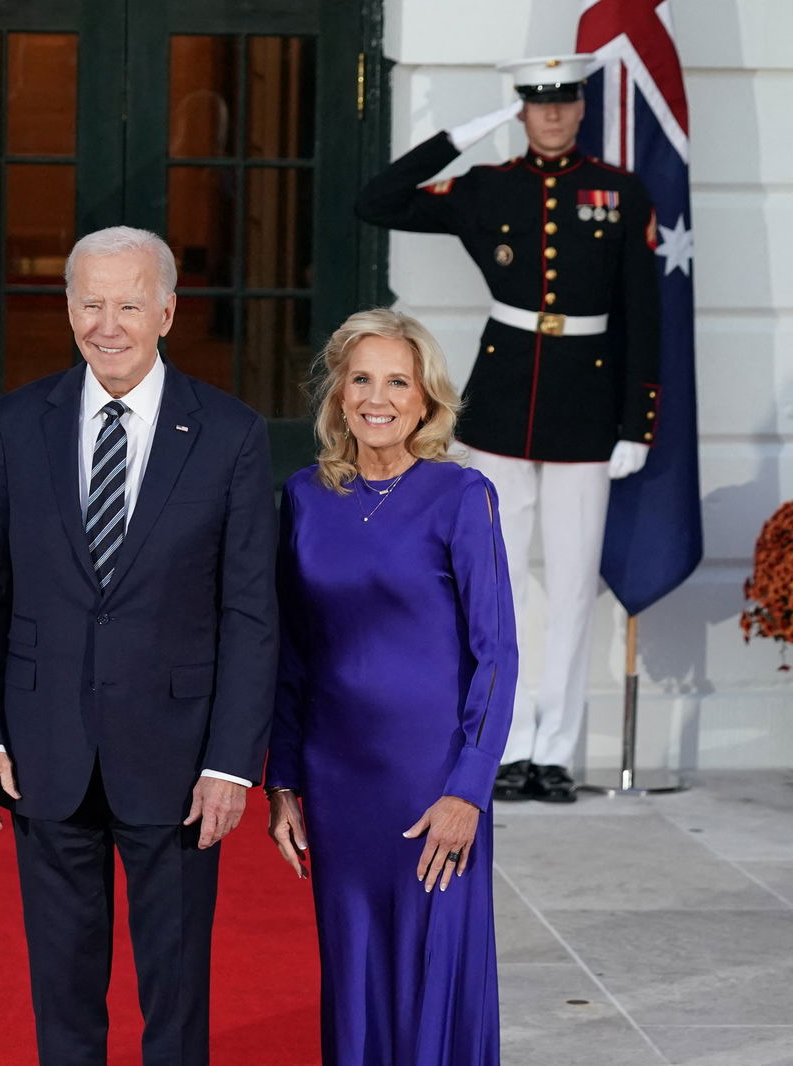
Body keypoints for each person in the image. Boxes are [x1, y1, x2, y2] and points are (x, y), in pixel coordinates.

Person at [0, 226, 278, 1065]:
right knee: (61, 992)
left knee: (176, 994)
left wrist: (231, 762)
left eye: (129, 304)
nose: (109, 324)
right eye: (91, 303)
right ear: (68, 307)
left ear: (167, 311)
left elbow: (251, 611)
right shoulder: (14, 422)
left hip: (178, 761)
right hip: (43, 750)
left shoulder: (230, 434)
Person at [355, 55, 660, 803]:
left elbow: (644, 317)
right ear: (520, 111)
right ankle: (506, 740)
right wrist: (465, 132)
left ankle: (554, 750)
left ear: (582, 110)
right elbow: (377, 198)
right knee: (494, 583)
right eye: (535, 105)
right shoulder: (488, 186)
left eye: (563, 104)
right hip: (500, 405)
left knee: (572, 580)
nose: (551, 117)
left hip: (587, 410)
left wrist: (636, 422)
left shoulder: (618, 192)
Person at [265, 308, 517, 1066]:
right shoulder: (304, 498)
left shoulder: (460, 495)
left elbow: (496, 654)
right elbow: (290, 652)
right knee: (354, 970)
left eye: (398, 381)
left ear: (425, 399)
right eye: (362, 380)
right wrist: (282, 782)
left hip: (432, 780)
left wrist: (468, 790)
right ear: (339, 395)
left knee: (436, 966)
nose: (379, 398)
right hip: (337, 784)